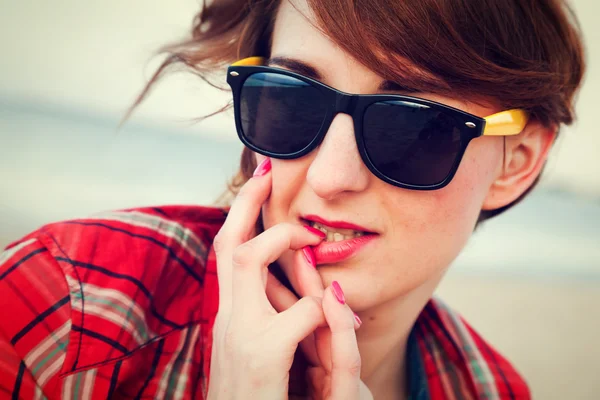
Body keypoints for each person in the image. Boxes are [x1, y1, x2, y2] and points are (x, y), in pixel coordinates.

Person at [0, 0, 585, 398]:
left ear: (518, 162)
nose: (331, 178)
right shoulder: (65, 310)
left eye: (410, 125)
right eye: (293, 99)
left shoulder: (489, 388)